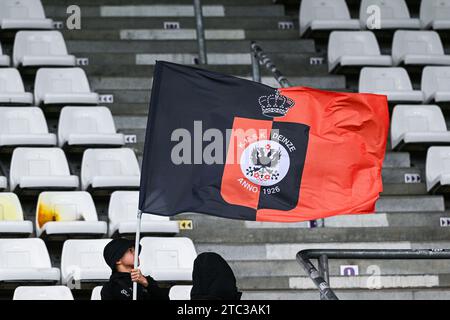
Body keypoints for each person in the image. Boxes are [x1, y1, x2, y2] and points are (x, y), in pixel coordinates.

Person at [101, 238, 169, 300]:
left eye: (135, 250)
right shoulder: (110, 287)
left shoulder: (147, 280)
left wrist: (146, 284)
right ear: (118, 260)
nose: (136, 253)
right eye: (131, 250)